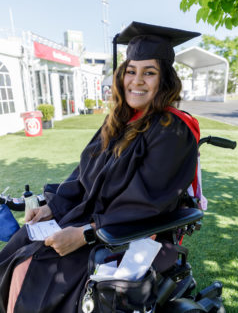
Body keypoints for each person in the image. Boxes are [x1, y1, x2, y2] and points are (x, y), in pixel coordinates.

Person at [0, 21, 200, 313]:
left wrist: (85, 234)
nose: (137, 80)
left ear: (165, 80)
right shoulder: (118, 120)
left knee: (32, 270)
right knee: (18, 246)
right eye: (131, 71)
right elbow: (83, 175)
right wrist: (51, 208)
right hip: (87, 219)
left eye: (150, 73)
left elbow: (148, 205)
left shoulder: (172, 130)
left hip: (126, 235)